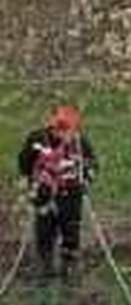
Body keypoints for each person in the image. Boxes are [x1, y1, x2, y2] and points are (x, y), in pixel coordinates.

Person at [18, 104, 97, 279]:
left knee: (70, 230)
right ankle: (44, 265)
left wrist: (87, 179)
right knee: (44, 230)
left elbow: (91, 164)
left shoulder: (79, 142)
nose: (62, 134)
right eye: (59, 128)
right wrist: (30, 180)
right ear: (52, 126)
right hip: (43, 193)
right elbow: (24, 162)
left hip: (71, 194)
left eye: (67, 129)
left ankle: (69, 265)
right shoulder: (36, 140)